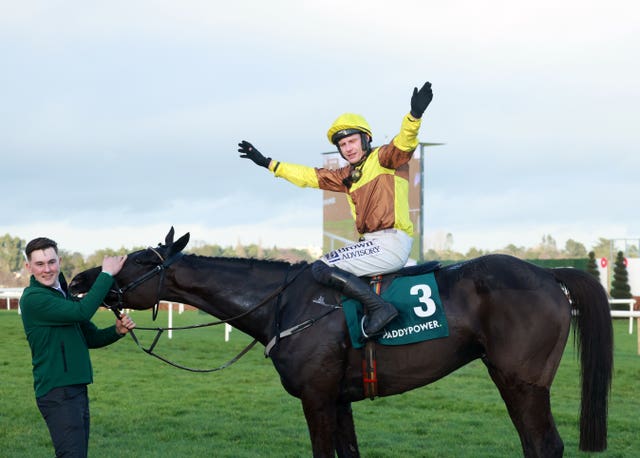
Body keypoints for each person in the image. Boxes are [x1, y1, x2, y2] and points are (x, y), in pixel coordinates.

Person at [238, 81, 433, 338]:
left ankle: (381, 310)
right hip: (375, 243)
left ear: (366, 140)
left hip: (390, 242)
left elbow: (404, 143)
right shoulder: (347, 175)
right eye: (342, 145)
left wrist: (414, 116)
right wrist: (268, 163)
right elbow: (309, 176)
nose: (348, 148)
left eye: (352, 141)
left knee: (320, 267)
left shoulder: (384, 159)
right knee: (324, 270)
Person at [20, 237, 136, 458]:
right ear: (28, 267)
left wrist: (117, 331)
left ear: (60, 261)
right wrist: (106, 274)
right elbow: (82, 312)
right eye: (40, 264)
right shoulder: (33, 299)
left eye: (51, 262)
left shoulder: (64, 296)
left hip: (76, 389)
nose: (47, 269)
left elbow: (90, 337)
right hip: (57, 392)